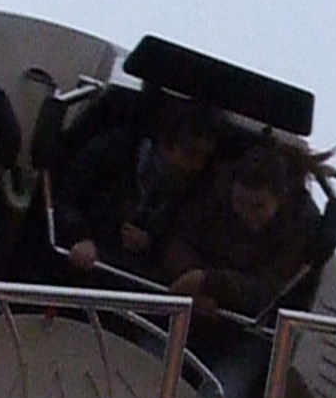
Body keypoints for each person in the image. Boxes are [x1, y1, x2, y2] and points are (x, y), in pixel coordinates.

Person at [160, 139, 336, 398]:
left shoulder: (301, 226)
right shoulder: (213, 190)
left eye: (257, 208)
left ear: (279, 200)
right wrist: (190, 281)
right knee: (149, 366)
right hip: (190, 311)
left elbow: (270, 289)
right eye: (240, 204)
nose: (246, 215)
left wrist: (210, 282)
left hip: (248, 330)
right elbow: (177, 239)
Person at [53, 98, 221, 277]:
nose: (198, 166)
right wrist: (80, 236)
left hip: (133, 277)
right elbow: (63, 196)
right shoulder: (111, 152)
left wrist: (150, 244)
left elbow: (181, 241)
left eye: (204, 158)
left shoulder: (197, 188)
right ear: (165, 143)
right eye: (191, 155)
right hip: (76, 258)